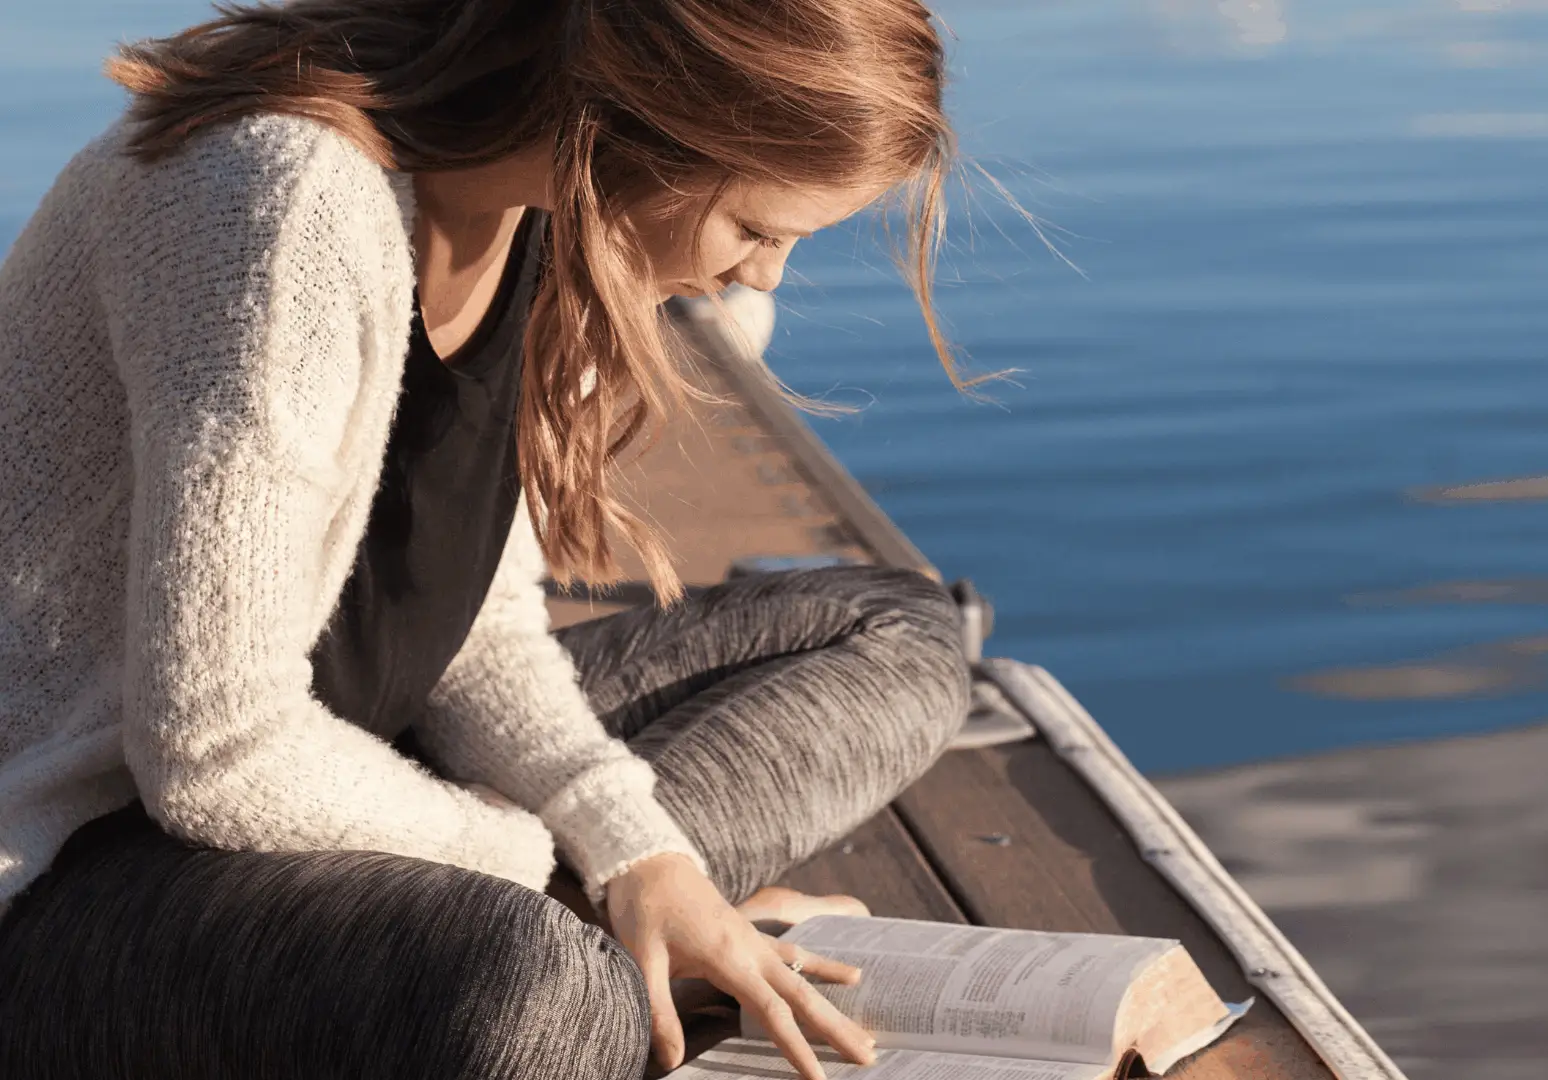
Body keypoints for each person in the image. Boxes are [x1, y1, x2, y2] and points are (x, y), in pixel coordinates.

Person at [0, 1, 972, 1077]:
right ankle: (589, 948)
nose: (762, 278)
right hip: (81, 867)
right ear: (632, 124)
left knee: (896, 633)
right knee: (536, 989)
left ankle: (628, 933)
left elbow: (469, 623)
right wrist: (555, 873)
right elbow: (213, 755)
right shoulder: (281, 209)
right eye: (755, 229)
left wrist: (639, 853)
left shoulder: (546, 211)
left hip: (363, 771)